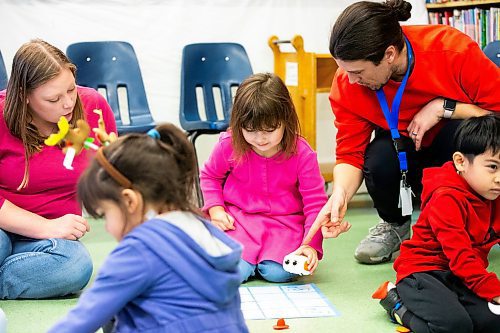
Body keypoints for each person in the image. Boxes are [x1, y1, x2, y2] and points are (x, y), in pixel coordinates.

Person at [304, 0, 500, 264]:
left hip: (454, 145)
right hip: (403, 149)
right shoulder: (347, 84)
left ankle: (477, 223)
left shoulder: (451, 50)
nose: (350, 80)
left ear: (389, 54)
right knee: (379, 157)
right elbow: (350, 154)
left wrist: (444, 108)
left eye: (358, 72)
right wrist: (340, 195)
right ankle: (394, 225)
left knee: (471, 140)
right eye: (345, 70)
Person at [49, 124, 248, 333]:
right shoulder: (203, 230)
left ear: (129, 201)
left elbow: (84, 319)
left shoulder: (140, 248)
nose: (107, 227)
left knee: (114, 313)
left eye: (106, 214)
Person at [200, 72, 350, 283]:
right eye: (250, 130)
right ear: (238, 122)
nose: (260, 139)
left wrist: (310, 245)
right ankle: (248, 263)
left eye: (269, 130)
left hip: (284, 226)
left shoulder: (302, 153)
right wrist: (216, 209)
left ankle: (259, 264)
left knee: (278, 273)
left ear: (285, 120)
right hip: (240, 222)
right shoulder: (229, 144)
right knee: (236, 271)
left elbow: (315, 204)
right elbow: (209, 177)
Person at [0, 39, 116, 299]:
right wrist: (45, 227)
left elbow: (113, 172)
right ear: (24, 96)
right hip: (9, 228)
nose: (67, 104)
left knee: (76, 266)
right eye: (53, 98)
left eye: (71, 90)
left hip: (53, 244)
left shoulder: (92, 105)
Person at [374, 114, 500, 333]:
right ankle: (397, 305)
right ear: (460, 161)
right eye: (493, 166)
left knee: (493, 322)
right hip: (423, 273)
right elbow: (460, 256)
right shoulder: (446, 197)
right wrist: (494, 289)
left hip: (459, 276)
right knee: (454, 326)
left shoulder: (493, 193)